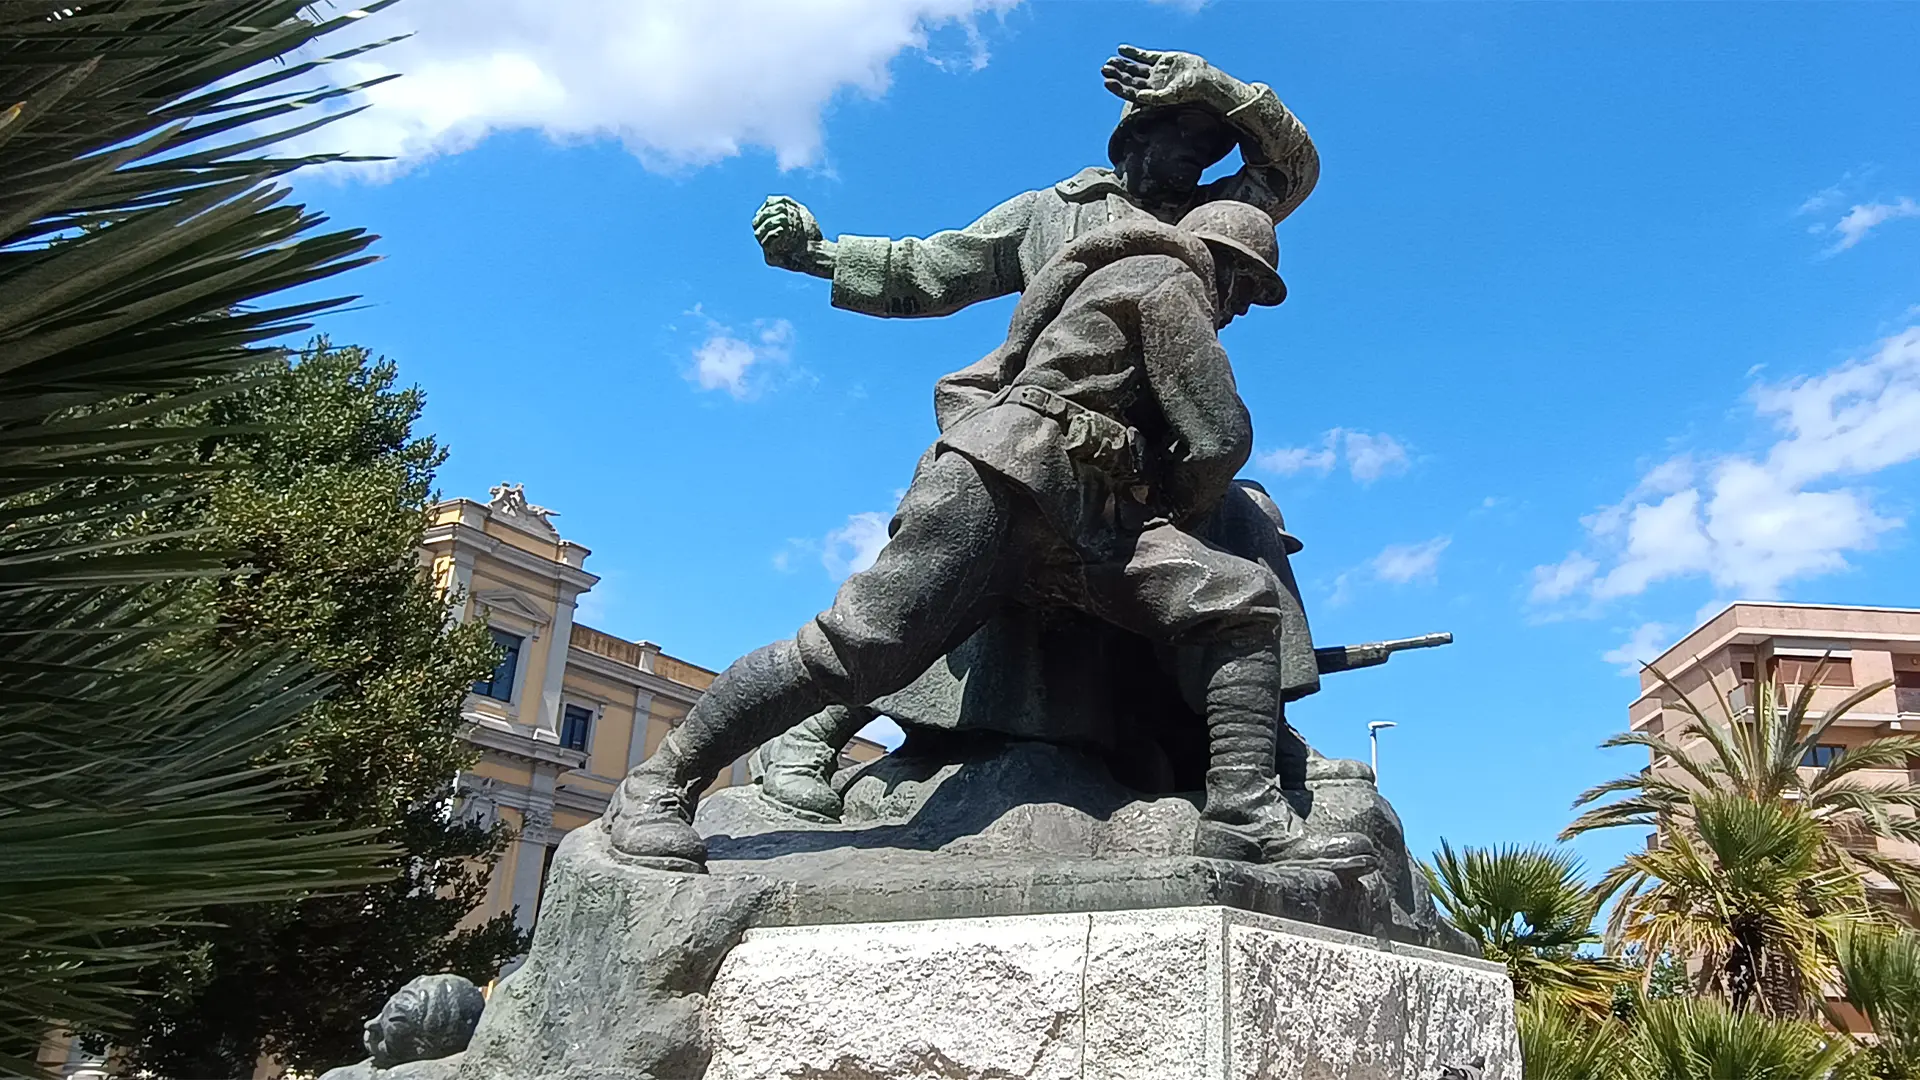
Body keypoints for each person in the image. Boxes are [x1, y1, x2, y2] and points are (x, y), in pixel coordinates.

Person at [604, 202, 1375, 874]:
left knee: (1236, 604)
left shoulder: (1112, 275)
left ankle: (1242, 811)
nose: (1241, 309)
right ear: (1226, 265)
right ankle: (659, 784)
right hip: (1002, 480)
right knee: (856, 648)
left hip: (1079, 510)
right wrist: (1175, 497)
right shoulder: (1171, 279)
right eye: (1246, 289)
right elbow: (1218, 435)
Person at [747, 46, 1367, 821]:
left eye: (1212, 149)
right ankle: (815, 730)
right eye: (1184, 141)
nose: (1197, 160)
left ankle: (1259, 732)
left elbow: (1294, 169)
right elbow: (935, 268)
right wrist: (820, 255)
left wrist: (1221, 88)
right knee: (951, 573)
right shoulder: (1053, 210)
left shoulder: (1213, 224)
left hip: (1148, 453)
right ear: (1132, 141)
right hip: (1042, 430)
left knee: (1246, 515)